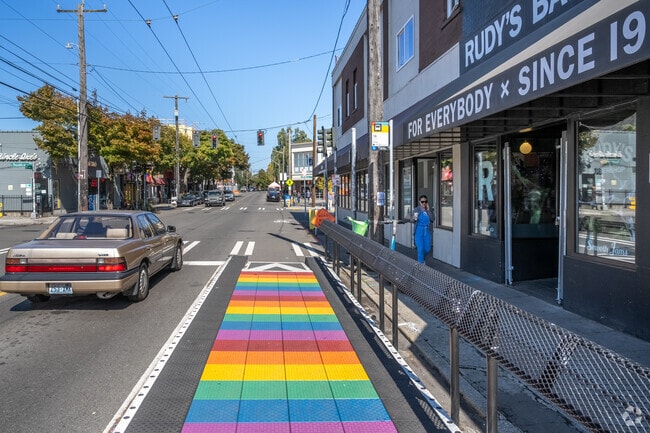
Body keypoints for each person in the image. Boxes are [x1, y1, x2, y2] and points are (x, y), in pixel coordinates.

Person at [412, 194, 435, 263]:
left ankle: (422, 258)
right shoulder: (416, 210)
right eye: (422, 202)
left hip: (427, 231)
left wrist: (428, 210)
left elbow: (432, 219)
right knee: (420, 249)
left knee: (427, 249)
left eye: (425, 201)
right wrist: (413, 219)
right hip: (419, 231)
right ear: (419, 202)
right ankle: (420, 266)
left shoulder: (430, 210)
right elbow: (411, 220)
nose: (424, 203)